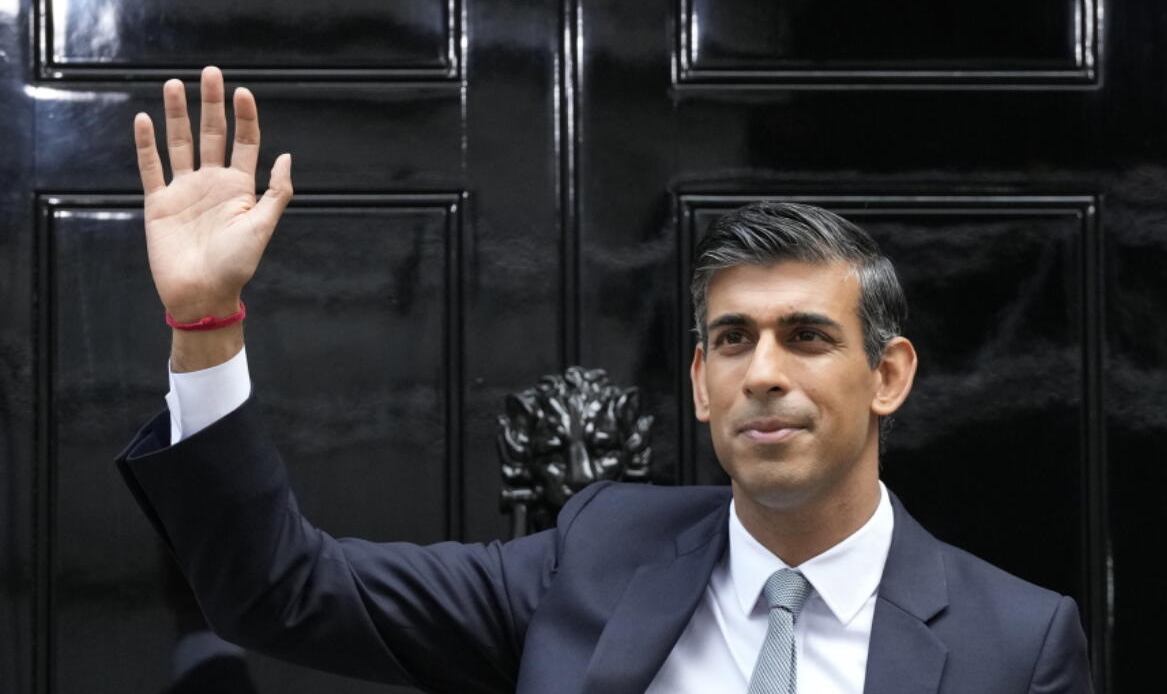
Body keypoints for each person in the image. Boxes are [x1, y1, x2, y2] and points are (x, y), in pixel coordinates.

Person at [118, 67, 1094, 694]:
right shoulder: (594, 556)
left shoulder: (1013, 643)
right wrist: (205, 323)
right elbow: (277, 590)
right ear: (699, 382)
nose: (761, 373)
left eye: (804, 337)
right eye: (730, 340)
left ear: (886, 373)